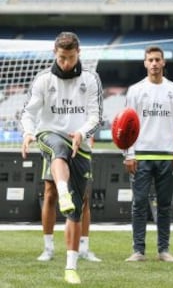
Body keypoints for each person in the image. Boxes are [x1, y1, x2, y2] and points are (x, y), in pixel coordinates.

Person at [21, 32, 103, 284]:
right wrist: (27, 132)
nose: (65, 63)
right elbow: (29, 112)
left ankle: (71, 265)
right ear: (54, 54)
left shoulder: (90, 79)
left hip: (78, 140)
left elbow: (95, 115)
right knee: (57, 154)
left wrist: (82, 132)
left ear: (79, 53)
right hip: (49, 134)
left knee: (76, 210)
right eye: (61, 58)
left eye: (70, 57)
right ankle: (48, 243)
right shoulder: (44, 79)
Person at [124, 45, 173, 262]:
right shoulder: (135, 91)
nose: (154, 64)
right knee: (139, 203)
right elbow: (128, 125)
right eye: (150, 60)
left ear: (163, 62)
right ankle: (138, 250)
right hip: (141, 155)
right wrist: (129, 154)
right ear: (144, 63)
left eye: (157, 60)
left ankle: (163, 250)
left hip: (167, 154)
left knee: (165, 205)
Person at [37, 165, 101, 262]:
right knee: (50, 194)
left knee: (84, 196)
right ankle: (48, 248)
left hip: (79, 152)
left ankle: (83, 249)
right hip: (54, 151)